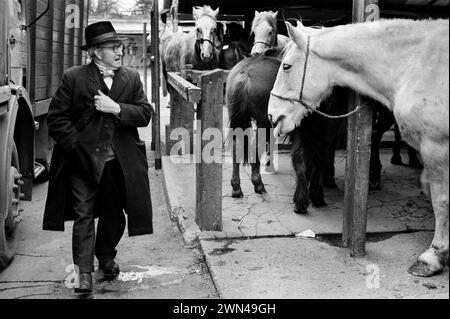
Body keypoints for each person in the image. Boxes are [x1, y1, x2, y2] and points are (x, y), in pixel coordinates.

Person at [42, 21, 153, 293]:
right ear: (95, 52)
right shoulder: (74, 77)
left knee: (114, 214)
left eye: (120, 46)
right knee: (84, 215)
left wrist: (117, 108)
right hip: (83, 163)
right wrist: (77, 148)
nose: (120, 51)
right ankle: (84, 273)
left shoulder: (130, 78)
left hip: (119, 163)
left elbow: (145, 113)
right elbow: (57, 118)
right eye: (112, 47)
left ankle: (106, 255)